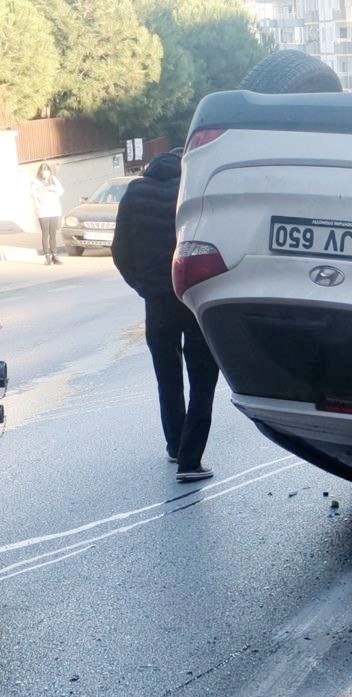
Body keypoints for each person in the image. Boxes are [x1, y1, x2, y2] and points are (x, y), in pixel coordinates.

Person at [111, 152, 219, 483]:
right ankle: (190, 460)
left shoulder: (134, 194)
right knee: (202, 379)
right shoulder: (192, 192)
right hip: (193, 297)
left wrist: (143, 286)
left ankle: (174, 444)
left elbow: (119, 251)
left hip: (157, 301)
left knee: (167, 376)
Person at [31, 163, 65, 265]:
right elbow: (34, 194)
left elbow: (61, 191)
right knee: (45, 234)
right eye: (43, 170)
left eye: (47, 170)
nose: (45, 172)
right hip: (43, 211)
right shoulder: (35, 182)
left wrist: (53, 188)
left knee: (53, 234)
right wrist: (44, 189)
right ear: (40, 172)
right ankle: (47, 257)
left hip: (54, 210)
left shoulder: (54, 180)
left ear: (49, 171)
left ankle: (55, 255)